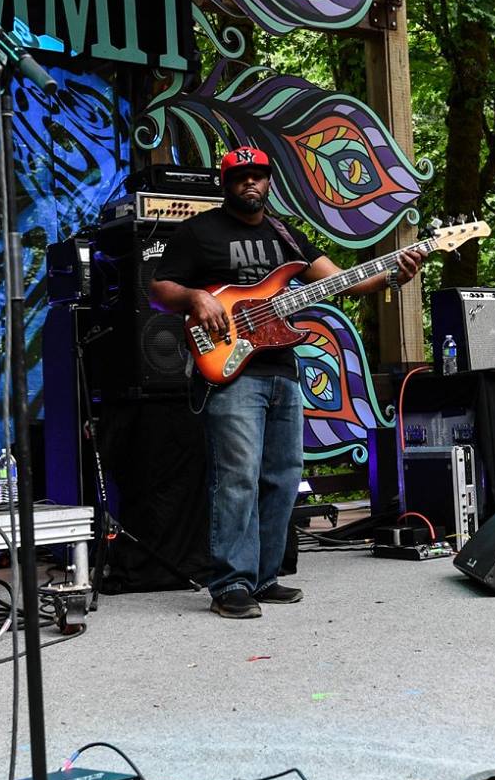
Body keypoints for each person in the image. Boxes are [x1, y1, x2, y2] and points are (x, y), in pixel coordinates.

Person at [150, 145, 424, 618]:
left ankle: (263, 576)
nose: (249, 183)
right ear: (225, 183)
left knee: (282, 478)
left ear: (269, 181)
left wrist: (393, 277)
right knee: (236, 479)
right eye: (239, 177)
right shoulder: (199, 232)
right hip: (231, 371)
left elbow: (345, 281)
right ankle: (230, 584)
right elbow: (158, 289)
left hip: (282, 371)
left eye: (257, 176)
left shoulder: (285, 236)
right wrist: (196, 296)